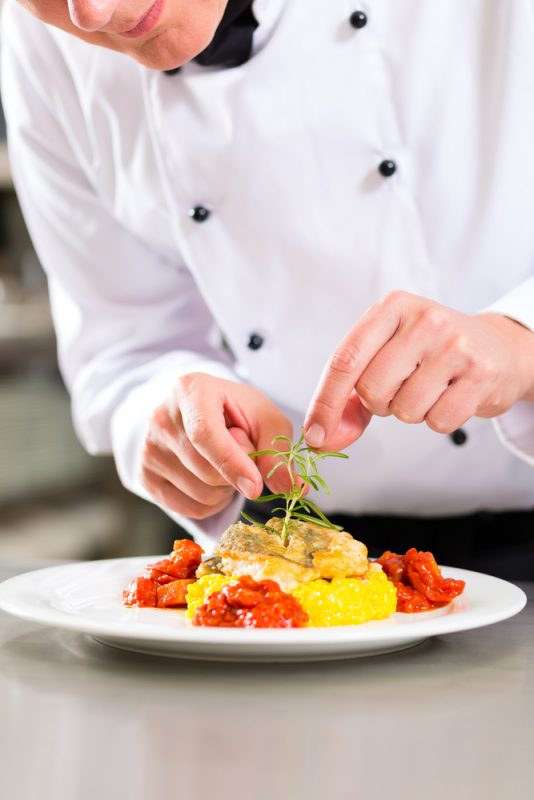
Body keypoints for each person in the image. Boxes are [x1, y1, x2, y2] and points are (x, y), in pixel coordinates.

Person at [2, 0, 534, 578]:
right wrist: (169, 417)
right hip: (286, 553)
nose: (90, 12)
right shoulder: (37, 39)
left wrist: (519, 342)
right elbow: (124, 342)